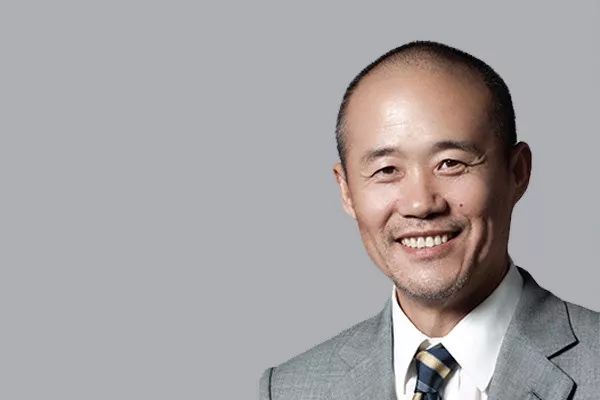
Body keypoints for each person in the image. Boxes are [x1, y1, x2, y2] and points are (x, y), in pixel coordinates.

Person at [259, 41, 599, 400]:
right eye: (387, 170)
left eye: (451, 163)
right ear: (346, 191)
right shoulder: (288, 389)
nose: (421, 204)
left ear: (517, 172)